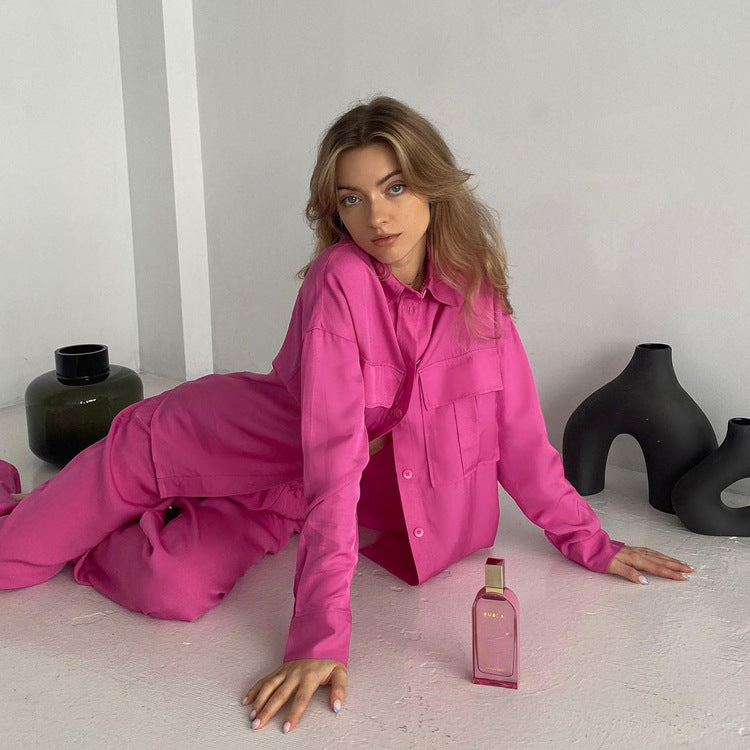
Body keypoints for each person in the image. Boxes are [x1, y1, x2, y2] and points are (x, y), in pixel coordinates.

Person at [0, 95, 693, 734]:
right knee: (10, 564)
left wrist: (590, 543)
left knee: (172, 591)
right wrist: (318, 640)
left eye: (395, 188)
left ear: (433, 186)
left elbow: (519, 440)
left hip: (279, 495)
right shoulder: (341, 280)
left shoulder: (475, 294)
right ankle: (48, 509)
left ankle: (91, 530)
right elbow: (337, 458)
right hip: (177, 449)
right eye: (352, 199)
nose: (376, 217)